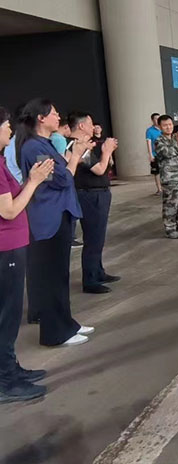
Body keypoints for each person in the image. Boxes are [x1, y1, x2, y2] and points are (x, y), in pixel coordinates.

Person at [16, 98, 94, 347]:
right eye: (54, 113)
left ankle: (66, 324)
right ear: (41, 118)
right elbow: (60, 180)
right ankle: (54, 333)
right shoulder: (32, 147)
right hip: (48, 218)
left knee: (59, 275)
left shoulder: (44, 144)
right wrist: (76, 157)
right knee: (51, 278)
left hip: (59, 214)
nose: (58, 116)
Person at [0, 106, 54, 402]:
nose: (10, 130)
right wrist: (32, 183)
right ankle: (6, 382)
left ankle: (10, 369)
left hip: (11, 246)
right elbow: (8, 210)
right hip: (4, 248)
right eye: (6, 125)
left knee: (8, 315)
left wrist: (30, 180)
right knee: (6, 318)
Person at [68, 112, 121, 295]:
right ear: (81, 126)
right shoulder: (76, 145)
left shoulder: (86, 146)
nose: (94, 127)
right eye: (90, 124)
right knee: (93, 238)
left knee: (98, 237)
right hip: (89, 195)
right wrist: (107, 151)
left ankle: (98, 271)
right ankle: (90, 280)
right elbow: (99, 169)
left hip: (98, 193)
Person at [146, 113, 162, 196]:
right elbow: (148, 142)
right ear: (152, 120)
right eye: (156, 118)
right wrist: (150, 154)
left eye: (159, 118)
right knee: (157, 172)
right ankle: (159, 189)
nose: (157, 120)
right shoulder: (149, 130)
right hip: (156, 154)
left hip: (164, 153)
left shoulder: (163, 128)